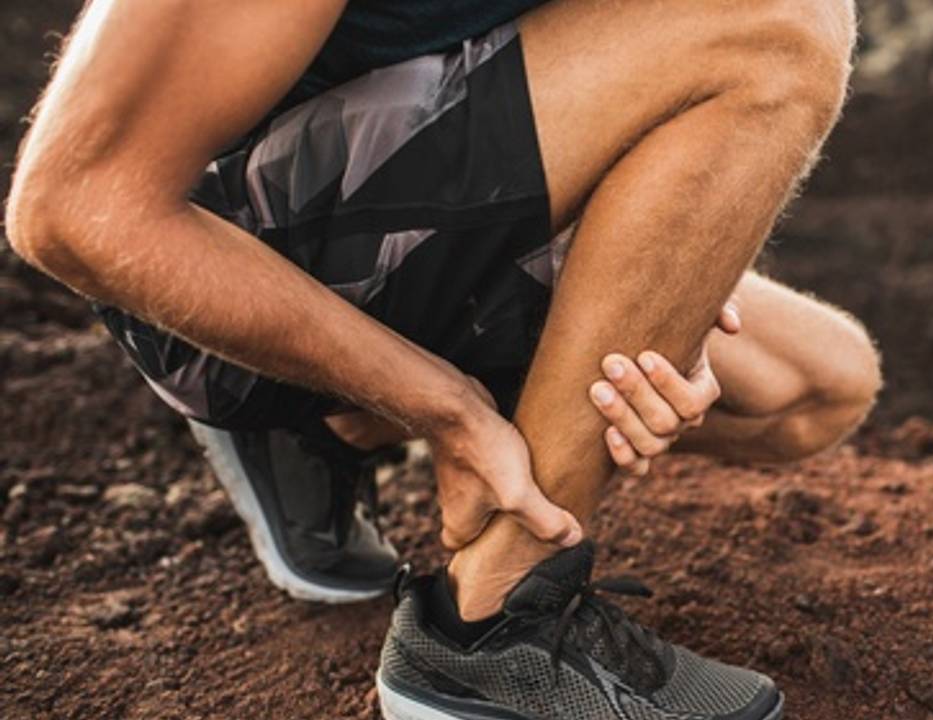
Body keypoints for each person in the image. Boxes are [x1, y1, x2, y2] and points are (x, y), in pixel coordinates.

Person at [6, 0, 878, 718]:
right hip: (200, 285)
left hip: (408, 206)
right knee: (780, 22)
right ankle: (495, 629)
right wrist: (443, 406)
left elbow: (599, 71)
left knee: (816, 385)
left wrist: (674, 273)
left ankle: (336, 427)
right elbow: (74, 209)